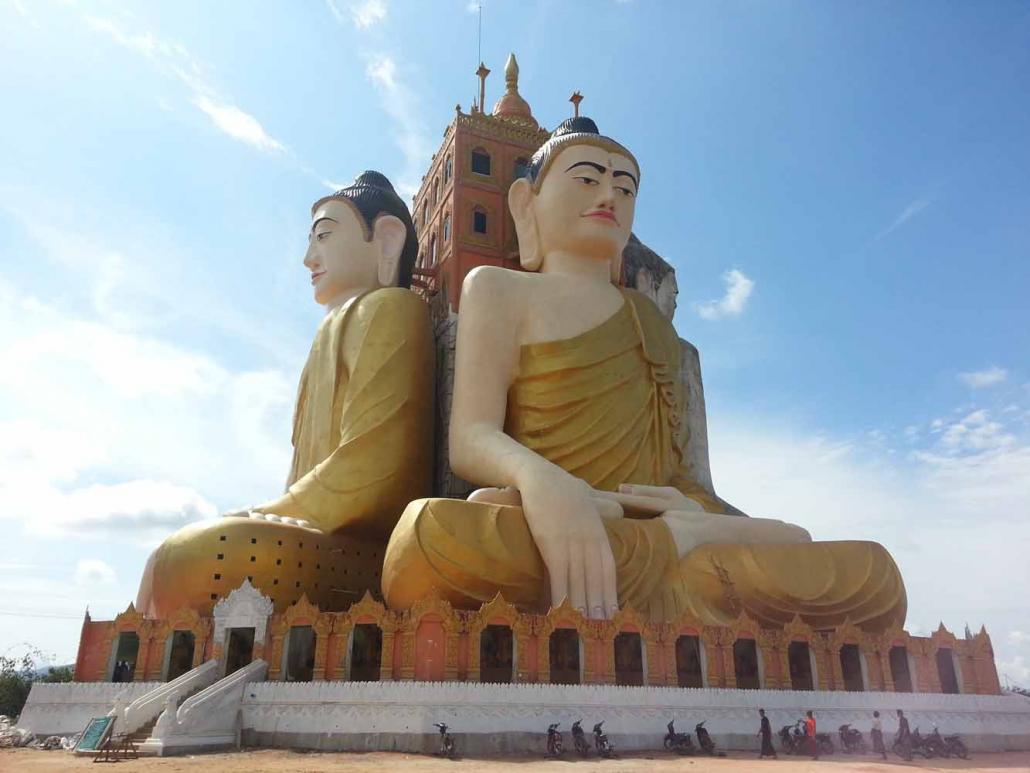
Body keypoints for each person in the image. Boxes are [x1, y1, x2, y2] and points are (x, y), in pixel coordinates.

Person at [382, 116, 907, 631]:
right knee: (426, 537)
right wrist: (541, 482)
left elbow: (682, 477)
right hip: (550, 525)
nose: (608, 197)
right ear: (527, 203)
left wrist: (689, 513)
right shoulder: (498, 289)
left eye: (625, 188)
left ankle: (681, 551)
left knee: (868, 567)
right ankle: (681, 567)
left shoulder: (648, 320)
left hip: (649, 527)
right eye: (588, 179)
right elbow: (471, 438)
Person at [136, 171, 434, 616]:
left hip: (372, 546)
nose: (309, 257)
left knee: (191, 556)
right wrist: (279, 511)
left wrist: (276, 509)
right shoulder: (332, 328)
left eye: (325, 237)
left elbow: (376, 471)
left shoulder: (393, 308)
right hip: (312, 529)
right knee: (173, 557)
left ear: (387, 241)